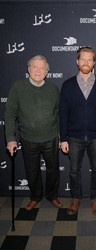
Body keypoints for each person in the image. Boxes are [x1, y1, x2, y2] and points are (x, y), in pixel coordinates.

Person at [4, 55, 63, 210]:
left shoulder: (53, 89)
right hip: (28, 139)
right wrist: (10, 139)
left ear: (47, 71)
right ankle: (35, 196)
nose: (38, 70)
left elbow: (58, 113)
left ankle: (52, 195)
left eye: (42, 68)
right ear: (29, 69)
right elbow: (10, 114)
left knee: (53, 169)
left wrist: (60, 134)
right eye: (35, 67)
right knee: (32, 170)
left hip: (51, 138)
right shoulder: (18, 87)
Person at [60, 46, 96, 216]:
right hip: (74, 137)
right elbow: (63, 113)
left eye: (89, 59)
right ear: (77, 61)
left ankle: (95, 198)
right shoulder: (67, 85)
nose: (86, 62)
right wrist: (63, 138)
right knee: (74, 170)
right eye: (83, 59)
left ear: (94, 62)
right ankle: (76, 198)